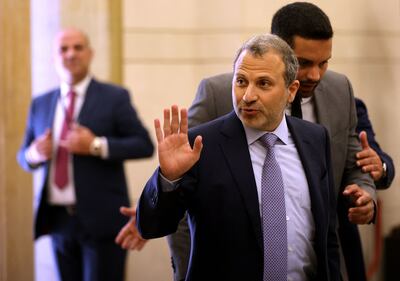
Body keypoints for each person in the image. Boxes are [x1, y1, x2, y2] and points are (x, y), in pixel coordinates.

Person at [165, 3, 381, 281]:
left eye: (324, 63)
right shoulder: (219, 94)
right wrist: (187, 270)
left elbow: (351, 166)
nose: (315, 75)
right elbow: (181, 192)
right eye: (304, 63)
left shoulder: (337, 95)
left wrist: (368, 192)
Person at [136, 34, 340, 281]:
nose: (248, 96)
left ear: (291, 91)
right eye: (241, 81)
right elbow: (152, 226)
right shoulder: (201, 145)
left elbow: (327, 236)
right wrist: (168, 178)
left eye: (263, 83)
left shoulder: (315, 139)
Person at [17, 28, 154, 281]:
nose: (71, 54)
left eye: (78, 47)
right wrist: (34, 154)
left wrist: (96, 146)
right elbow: (23, 156)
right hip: (58, 220)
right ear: (54, 58)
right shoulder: (41, 103)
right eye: (63, 49)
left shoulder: (114, 97)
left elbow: (144, 144)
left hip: (103, 220)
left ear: (90, 54)